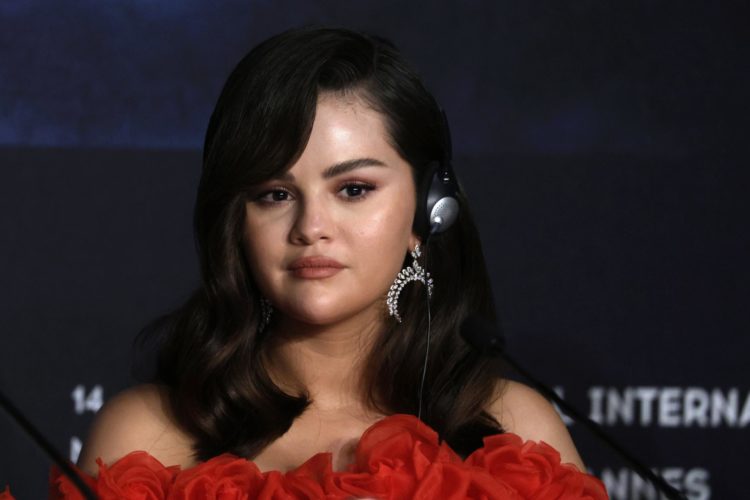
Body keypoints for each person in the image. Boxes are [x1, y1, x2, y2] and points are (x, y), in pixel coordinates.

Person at [52, 26, 607, 498]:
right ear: (235, 223)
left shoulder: (515, 431)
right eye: (275, 194)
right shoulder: (146, 435)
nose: (311, 227)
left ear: (429, 212)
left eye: (354, 189)